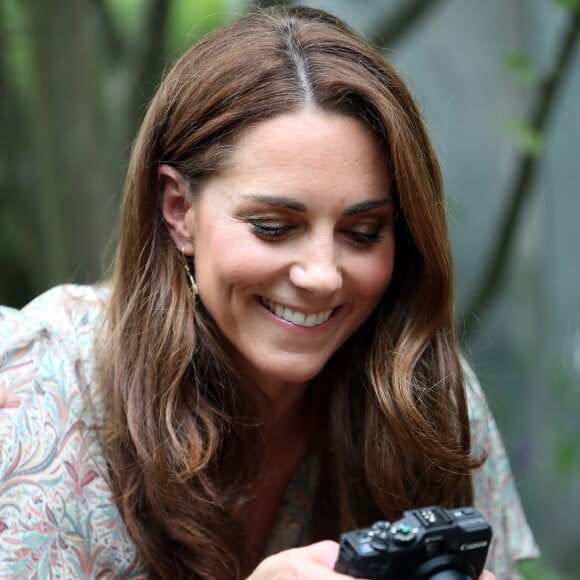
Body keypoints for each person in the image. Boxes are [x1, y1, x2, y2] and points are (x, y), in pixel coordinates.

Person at [0, 5, 538, 579]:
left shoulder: (422, 392)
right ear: (178, 210)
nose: (322, 275)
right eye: (274, 227)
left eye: (363, 233)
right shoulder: (40, 390)